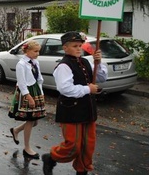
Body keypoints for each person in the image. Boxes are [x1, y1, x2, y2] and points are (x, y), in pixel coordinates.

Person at [42, 31, 108, 175]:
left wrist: (99, 63)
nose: (79, 48)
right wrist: (88, 88)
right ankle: (51, 157)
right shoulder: (63, 66)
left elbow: (102, 78)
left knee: (88, 145)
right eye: (74, 46)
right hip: (71, 110)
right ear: (65, 48)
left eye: (80, 45)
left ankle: (82, 170)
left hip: (88, 108)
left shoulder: (85, 61)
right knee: (73, 145)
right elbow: (65, 89)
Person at [9, 40, 46, 160]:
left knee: (35, 121)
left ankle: (16, 130)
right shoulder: (21, 64)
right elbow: (21, 82)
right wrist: (28, 96)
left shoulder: (35, 62)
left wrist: (41, 93)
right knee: (30, 120)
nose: (37, 53)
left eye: (38, 51)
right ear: (27, 51)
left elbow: (39, 78)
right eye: (35, 51)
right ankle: (27, 147)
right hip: (27, 92)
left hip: (36, 90)